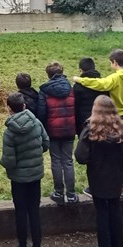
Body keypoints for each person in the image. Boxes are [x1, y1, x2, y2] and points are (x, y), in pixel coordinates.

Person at [75, 96, 123, 247]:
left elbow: (81, 156)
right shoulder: (122, 129)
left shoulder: (90, 129)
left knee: (102, 213)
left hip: (98, 177)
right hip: (115, 178)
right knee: (114, 211)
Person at [0, 92, 49, 247]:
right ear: (24, 106)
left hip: (18, 179)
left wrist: (5, 164)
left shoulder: (9, 132)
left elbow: (9, 160)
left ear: (9, 109)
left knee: (21, 212)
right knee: (34, 212)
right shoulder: (37, 123)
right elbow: (45, 143)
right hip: (35, 176)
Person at [35, 61, 77, 205]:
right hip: (69, 129)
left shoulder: (44, 91)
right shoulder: (72, 89)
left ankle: (59, 192)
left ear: (48, 74)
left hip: (52, 131)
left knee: (56, 161)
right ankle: (71, 194)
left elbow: (41, 113)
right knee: (68, 161)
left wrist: (43, 131)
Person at [73, 49, 123, 116]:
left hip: (118, 114)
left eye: (110, 63)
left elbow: (100, 84)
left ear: (115, 62)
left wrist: (80, 80)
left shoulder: (115, 78)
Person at [73, 57, 109, 134]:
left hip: (84, 124)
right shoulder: (103, 85)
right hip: (102, 122)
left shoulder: (77, 87)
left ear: (80, 70)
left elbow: (75, 106)